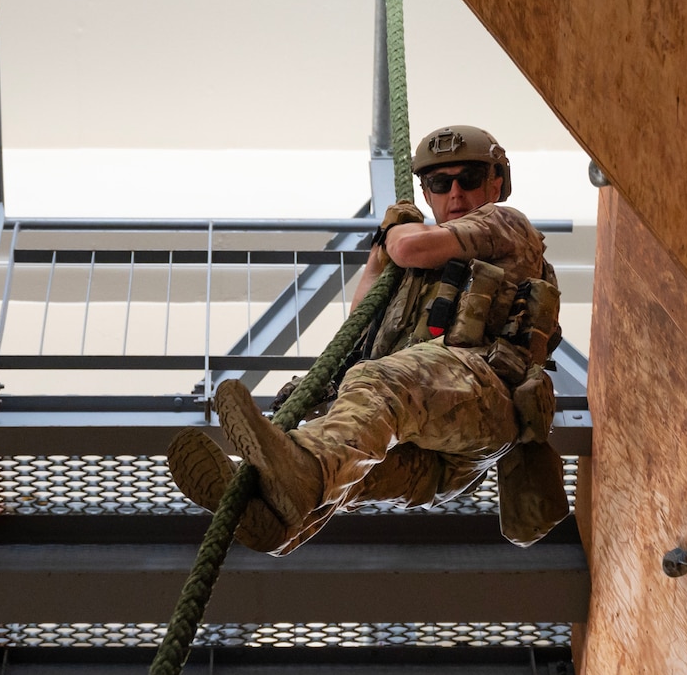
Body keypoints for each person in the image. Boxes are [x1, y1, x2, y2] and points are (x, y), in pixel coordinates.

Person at [165, 125, 571, 554]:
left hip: (483, 405)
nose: (455, 194)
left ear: (495, 182)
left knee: (376, 385)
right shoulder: (419, 267)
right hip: (426, 448)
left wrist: (394, 233)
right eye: (439, 183)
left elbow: (408, 249)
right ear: (426, 193)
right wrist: (379, 251)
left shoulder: (504, 224)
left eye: (468, 179)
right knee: (349, 474)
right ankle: (273, 521)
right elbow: (361, 321)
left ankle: (292, 470)